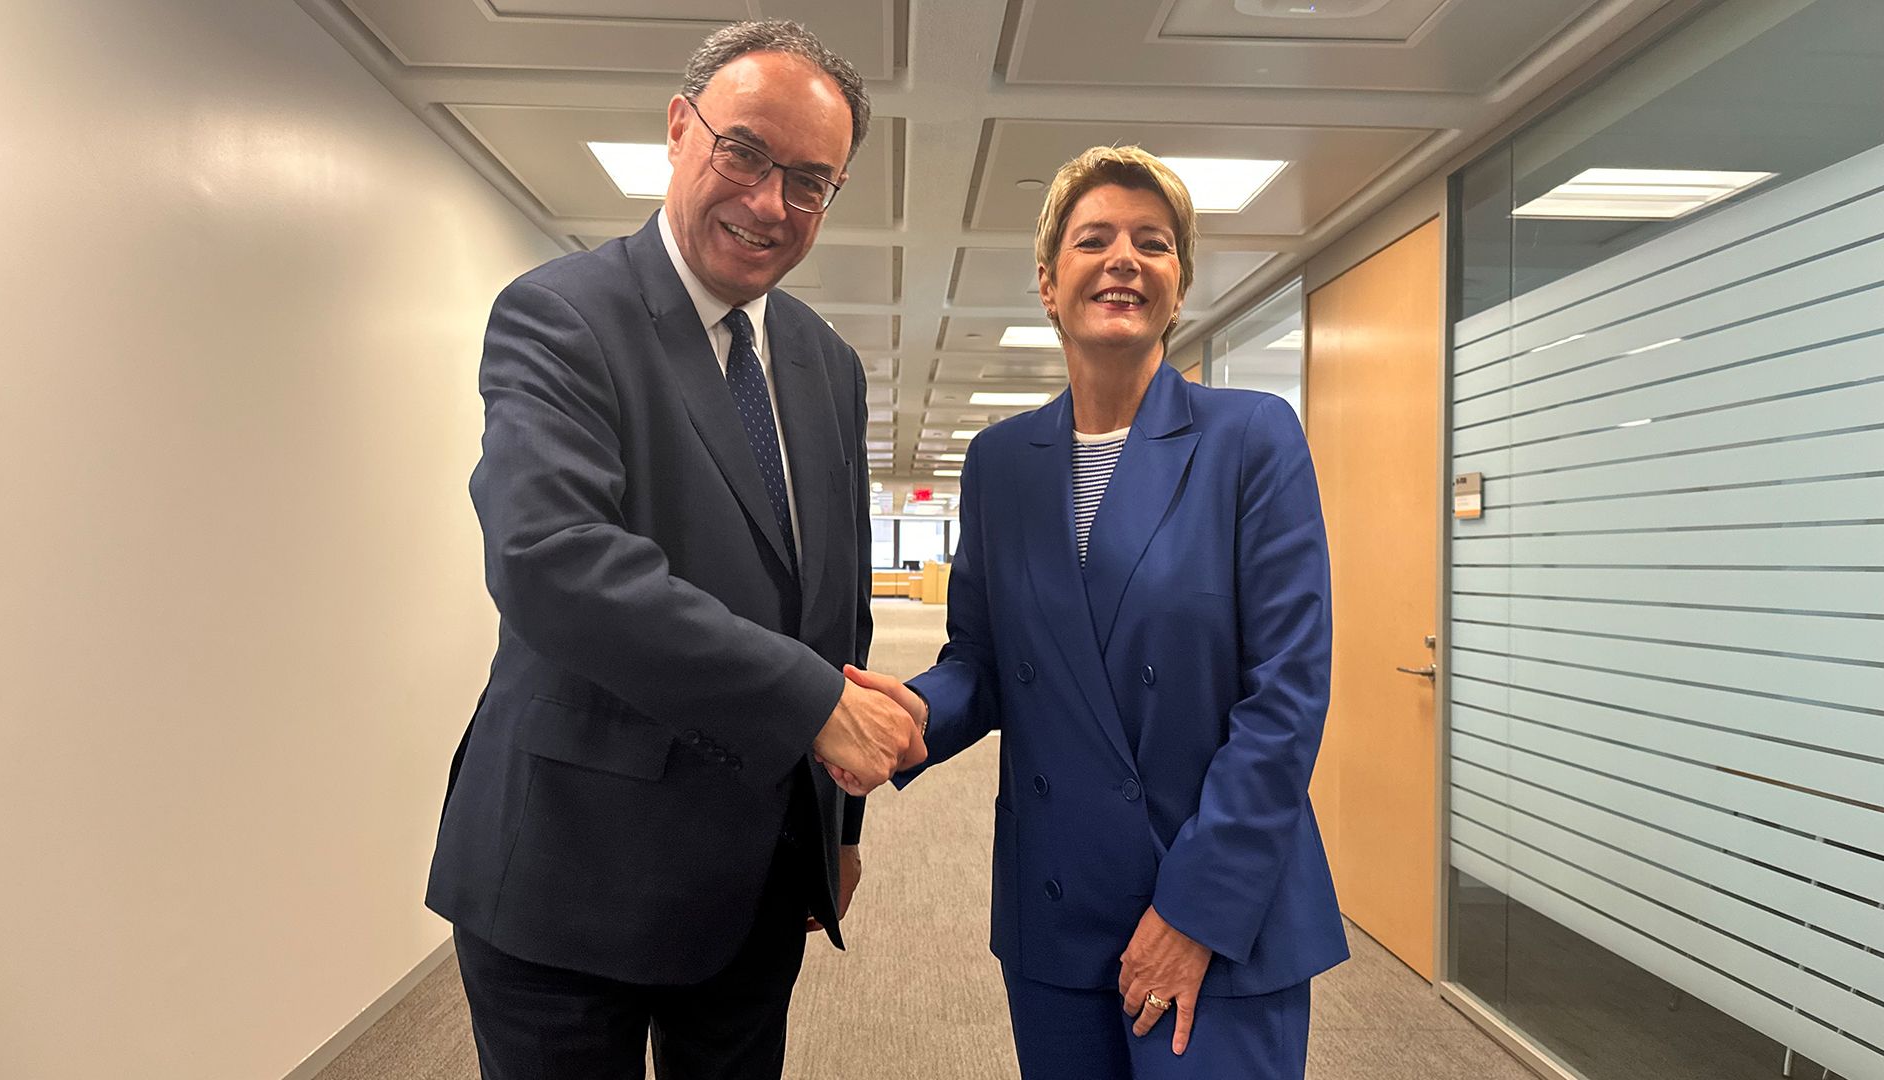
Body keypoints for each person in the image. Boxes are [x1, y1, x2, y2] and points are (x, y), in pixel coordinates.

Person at [425, 21, 923, 1080]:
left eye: (810, 181)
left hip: (754, 879)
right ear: (677, 128)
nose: (768, 202)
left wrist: (835, 829)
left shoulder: (825, 364)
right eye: (744, 152)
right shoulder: (562, 315)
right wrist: (809, 703)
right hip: (570, 881)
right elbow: (550, 558)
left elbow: (831, 602)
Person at [844, 146, 1348, 1079]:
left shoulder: (1250, 439)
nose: (1124, 258)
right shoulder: (1001, 462)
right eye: (1094, 240)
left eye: (1152, 243)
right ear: (1048, 281)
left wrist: (1193, 912)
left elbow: (1285, 702)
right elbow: (983, 659)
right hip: (1058, 901)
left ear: (1179, 285)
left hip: (1217, 907)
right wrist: (915, 720)